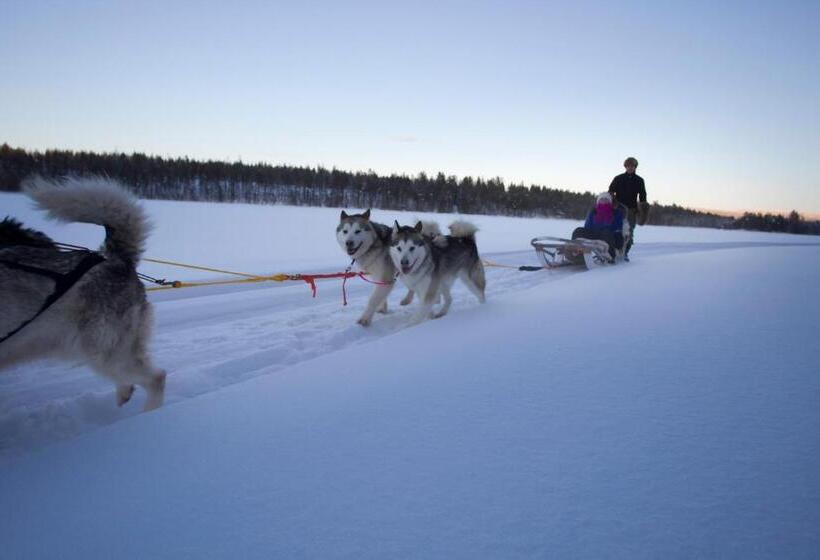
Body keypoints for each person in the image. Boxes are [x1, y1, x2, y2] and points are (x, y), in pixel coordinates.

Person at [608, 156, 647, 261]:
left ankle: (625, 253)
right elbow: (611, 191)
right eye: (628, 166)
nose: (630, 168)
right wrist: (613, 203)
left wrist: (643, 211)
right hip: (618, 210)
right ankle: (612, 251)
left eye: (632, 166)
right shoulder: (618, 178)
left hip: (631, 211)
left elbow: (643, 196)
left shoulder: (639, 180)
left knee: (628, 232)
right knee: (615, 230)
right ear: (625, 166)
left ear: (635, 167)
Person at [572, 192, 626, 260]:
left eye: (606, 199)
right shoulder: (593, 212)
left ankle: (610, 256)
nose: (603, 201)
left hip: (609, 236)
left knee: (606, 232)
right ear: (598, 201)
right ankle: (575, 251)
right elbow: (587, 226)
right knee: (578, 230)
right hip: (594, 234)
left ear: (609, 201)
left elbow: (617, 228)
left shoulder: (616, 213)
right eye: (601, 199)